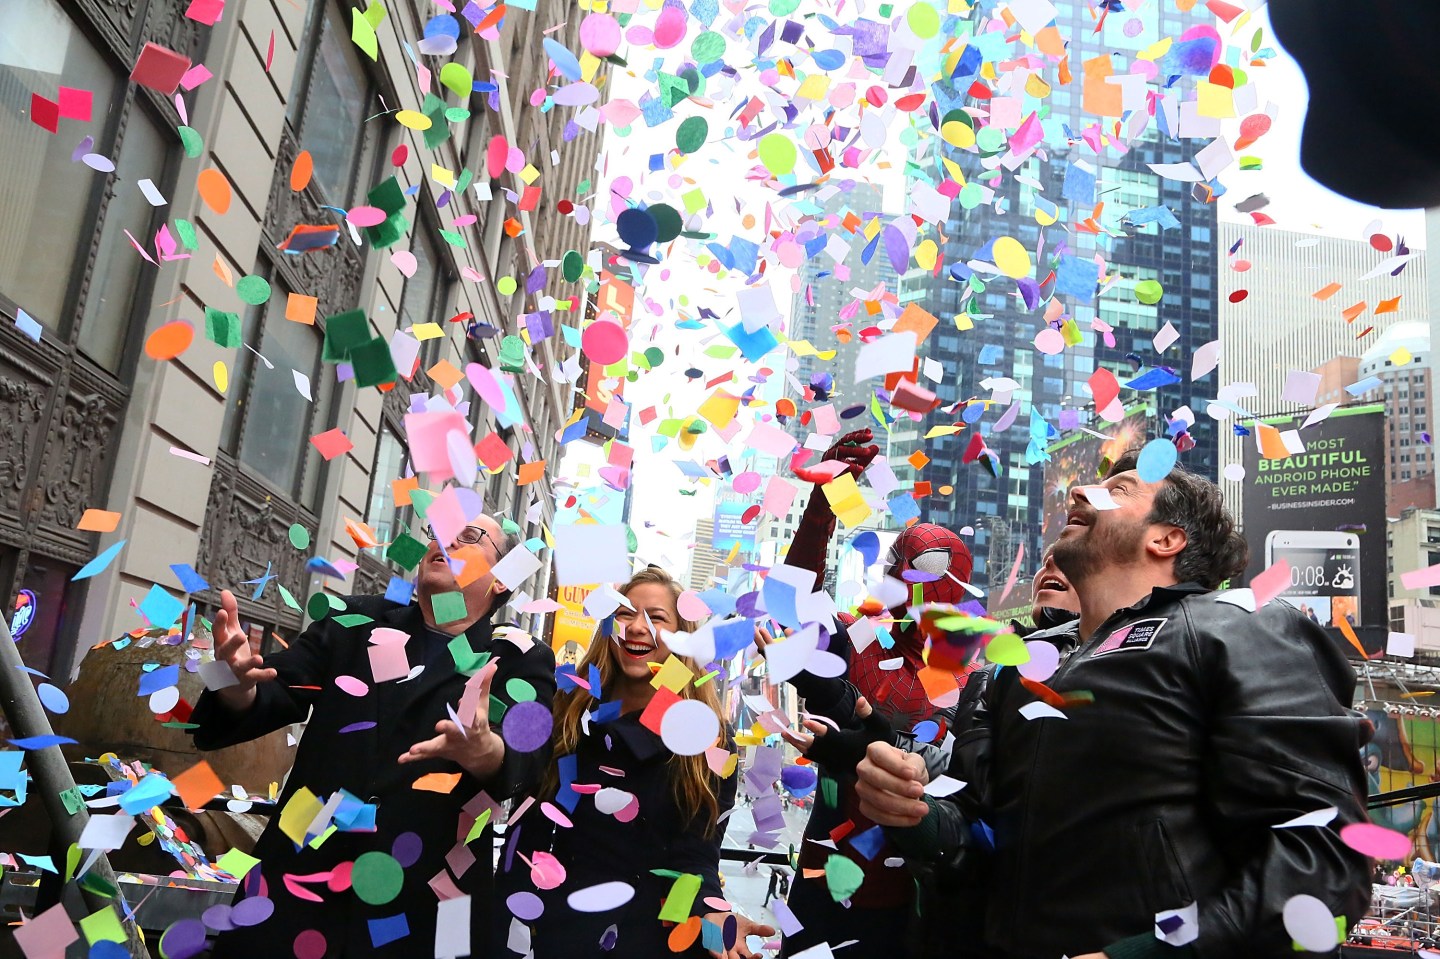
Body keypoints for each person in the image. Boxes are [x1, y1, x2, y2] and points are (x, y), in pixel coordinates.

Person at [856, 449, 1372, 959]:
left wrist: (1141, 954)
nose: (1078, 491)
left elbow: (1327, 857)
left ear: (1165, 539)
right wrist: (914, 814)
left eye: (1119, 490)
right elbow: (983, 836)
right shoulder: (1018, 667)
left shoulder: (1239, 626)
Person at [190, 513, 556, 958]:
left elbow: (527, 757)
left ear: (501, 579)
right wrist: (233, 686)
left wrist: (483, 750)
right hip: (297, 889)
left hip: (420, 913)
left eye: (471, 536)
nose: (448, 539)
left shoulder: (519, 657)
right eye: (442, 531)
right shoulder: (355, 619)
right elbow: (273, 689)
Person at [759, 429, 977, 958]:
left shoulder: (974, 681)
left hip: (912, 895)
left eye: (931, 571)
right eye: (900, 565)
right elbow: (793, 607)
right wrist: (823, 505)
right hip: (824, 877)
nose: (910, 582)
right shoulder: (862, 637)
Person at [496, 567, 775, 958]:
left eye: (657, 618)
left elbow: (696, 853)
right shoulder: (566, 710)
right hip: (556, 931)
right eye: (625, 613)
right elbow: (528, 825)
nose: (638, 627)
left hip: (648, 938)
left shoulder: (708, 737)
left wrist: (710, 910)